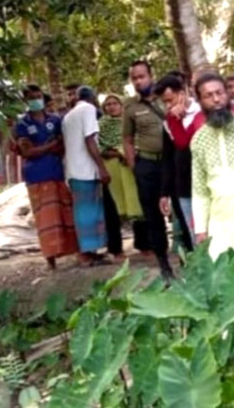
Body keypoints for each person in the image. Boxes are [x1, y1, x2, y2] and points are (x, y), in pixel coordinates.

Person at [191, 73, 234, 259]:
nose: (216, 99)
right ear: (199, 100)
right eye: (208, 96)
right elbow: (199, 190)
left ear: (227, 94)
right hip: (219, 226)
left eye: (219, 93)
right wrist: (200, 230)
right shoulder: (198, 140)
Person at [15, 85, 79, 269]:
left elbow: (63, 145)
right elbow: (27, 151)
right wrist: (49, 147)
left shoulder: (55, 120)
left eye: (38, 96)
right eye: (32, 97)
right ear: (26, 101)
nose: (36, 99)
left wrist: (45, 148)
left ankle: (72, 252)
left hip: (57, 172)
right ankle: (50, 259)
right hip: (36, 176)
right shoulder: (23, 124)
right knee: (45, 218)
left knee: (65, 213)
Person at [122, 60, 174, 279]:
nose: (138, 81)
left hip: (172, 163)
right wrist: (135, 166)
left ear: (151, 76)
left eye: (142, 76)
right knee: (153, 216)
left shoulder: (167, 99)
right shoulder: (131, 107)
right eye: (134, 78)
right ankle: (163, 264)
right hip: (147, 165)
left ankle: (188, 256)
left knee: (180, 209)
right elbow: (127, 139)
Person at [154, 74, 206, 252]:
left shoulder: (204, 112)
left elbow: (189, 143)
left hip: (208, 183)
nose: (168, 105)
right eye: (164, 102)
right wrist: (164, 192)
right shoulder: (168, 122)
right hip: (184, 186)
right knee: (195, 235)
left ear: (183, 92)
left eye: (171, 99)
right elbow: (168, 157)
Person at [62, 86, 111, 265]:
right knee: (88, 212)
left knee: (85, 211)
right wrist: (102, 168)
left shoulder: (69, 116)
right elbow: (90, 140)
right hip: (85, 169)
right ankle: (85, 253)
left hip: (74, 170)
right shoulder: (88, 110)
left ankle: (91, 251)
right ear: (92, 97)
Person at [100, 94, 151, 261]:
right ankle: (116, 250)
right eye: (108, 105)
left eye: (115, 103)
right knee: (114, 210)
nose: (111, 107)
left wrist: (128, 154)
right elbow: (101, 149)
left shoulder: (130, 122)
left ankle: (143, 245)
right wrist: (118, 153)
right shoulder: (101, 126)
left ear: (121, 105)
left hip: (130, 168)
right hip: (112, 170)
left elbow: (137, 142)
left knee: (137, 205)